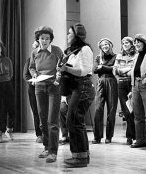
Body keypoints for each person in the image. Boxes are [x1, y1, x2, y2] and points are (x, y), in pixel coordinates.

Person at [59, 23, 95, 168]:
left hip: (83, 87)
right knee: (74, 121)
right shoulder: (71, 51)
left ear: (76, 35)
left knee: (73, 121)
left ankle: (80, 157)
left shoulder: (85, 49)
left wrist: (65, 68)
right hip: (75, 88)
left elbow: (83, 71)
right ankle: (81, 155)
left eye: (69, 33)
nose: (67, 35)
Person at [29, 26, 63, 163]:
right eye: (42, 38)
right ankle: (46, 147)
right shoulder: (34, 52)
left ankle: (53, 152)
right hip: (39, 87)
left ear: (50, 40)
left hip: (53, 87)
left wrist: (58, 77)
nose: (44, 41)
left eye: (47, 38)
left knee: (52, 121)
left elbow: (63, 65)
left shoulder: (56, 50)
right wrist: (34, 74)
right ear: (38, 39)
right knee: (42, 120)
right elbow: (32, 67)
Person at [92, 38, 118, 144]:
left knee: (111, 110)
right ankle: (97, 137)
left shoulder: (116, 56)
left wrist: (102, 67)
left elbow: (115, 69)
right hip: (100, 82)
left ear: (110, 45)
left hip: (112, 82)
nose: (104, 46)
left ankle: (109, 136)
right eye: (102, 45)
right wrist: (107, 67)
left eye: (106, 44)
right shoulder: (98, 57)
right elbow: (94, 70)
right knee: (98, 109)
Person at [113, 36, 136, 145]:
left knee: (132, 110)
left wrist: (122, 71)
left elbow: (134, 71)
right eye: (123, 43)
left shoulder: (136, 55)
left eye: (127, 42)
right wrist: (127, 70)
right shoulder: (119, 55)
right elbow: (115, 70)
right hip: (121, 83)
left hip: (131, 83)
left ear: (132, 44)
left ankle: (131, 135)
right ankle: (131, 135)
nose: (125, 44)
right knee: (126, 111)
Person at [23, 56, 43, 143]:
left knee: (45, 112)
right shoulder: (29, 60)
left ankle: (47, 134)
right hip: (33, 88)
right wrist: (33, 81)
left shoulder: (47, 58)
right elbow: (26, 75)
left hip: (46, 88)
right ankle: (39, 134)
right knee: (36, 111)